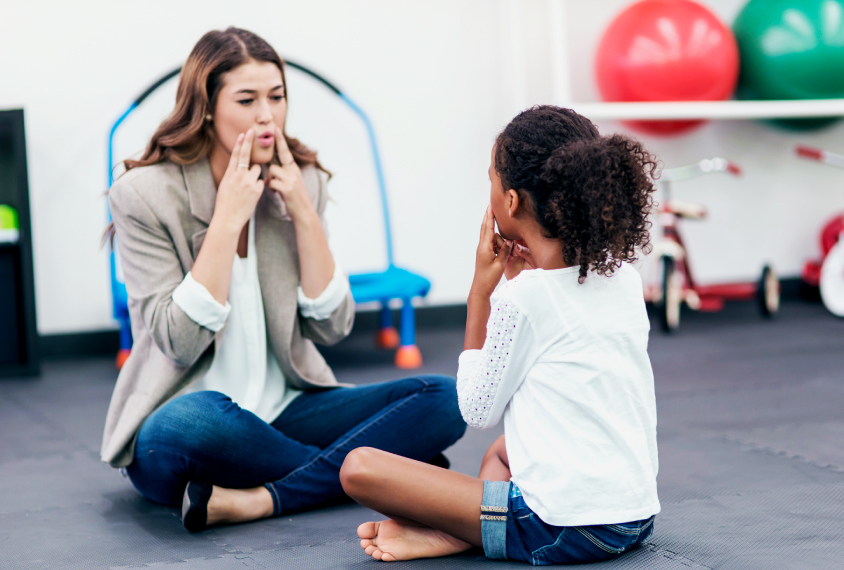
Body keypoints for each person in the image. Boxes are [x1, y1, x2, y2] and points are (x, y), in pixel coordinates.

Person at [100, 27, 465, 532]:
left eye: (277, 97)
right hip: (188, 417)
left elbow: (332, 327)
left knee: (445, 398)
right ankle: (378, 471)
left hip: (285, 408)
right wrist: (227, 218)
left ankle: (263, 498)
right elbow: (179, 343)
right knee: (193, 421)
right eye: (247, 100)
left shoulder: (302, 179)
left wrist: (301, 211)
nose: (267, 115)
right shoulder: (143, 194)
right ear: (206, 107)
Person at [340, 106, 660, 565]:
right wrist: (516, 286)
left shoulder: (523, 299)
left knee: (360, 468)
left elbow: (476, 408)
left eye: (490, 178)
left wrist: (481, 293)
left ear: (510, 201)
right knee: (504, 453)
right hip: (633, 519)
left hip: (562, 530)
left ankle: (462, 531)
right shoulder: (623, 278)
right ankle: (467, 530)